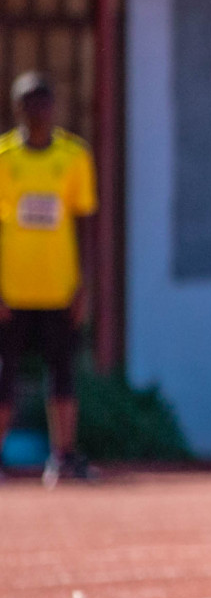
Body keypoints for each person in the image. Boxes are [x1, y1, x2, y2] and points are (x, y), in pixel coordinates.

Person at [0, 72, 98, 486]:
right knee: (5, 375)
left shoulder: (74, 157)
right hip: (13, 289)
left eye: (44, 103)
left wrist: (85, 284)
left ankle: (63, 456)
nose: (37, 111)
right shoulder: (4, 158)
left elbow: (86, 224)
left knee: (62, 375)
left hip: (60, 289)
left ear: (54, 108)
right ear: (16, 108)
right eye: (28, 103)